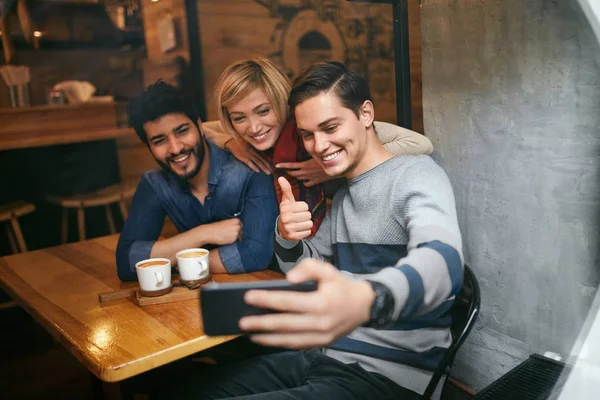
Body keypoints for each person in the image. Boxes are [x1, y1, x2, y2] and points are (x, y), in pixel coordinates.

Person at [164, 62, 463, 399]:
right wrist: (287, 235)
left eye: (330, 127)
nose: (319, 145)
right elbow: (305, 267)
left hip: (389, 378)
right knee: (185, 390)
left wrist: (367, 297)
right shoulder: (345, 194)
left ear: (366, 114)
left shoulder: (416, 174)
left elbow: (444, 262)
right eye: (307, 134)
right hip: (327, 358)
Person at [202, 57, 433, 236]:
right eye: (239, 118)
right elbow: (204, 129)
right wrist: (233, 143)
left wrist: (331, 163)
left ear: (282, 102)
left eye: (263, 111)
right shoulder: (244, 138)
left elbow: (420, 143)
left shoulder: (315, 128)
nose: (253, 128)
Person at [116, 81, 278, 281]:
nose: (175, 148)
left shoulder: (251, 168)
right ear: (148, 146)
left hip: (259, 290)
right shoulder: (155, 183)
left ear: (200, 127)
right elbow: (126, 262)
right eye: (160, 141)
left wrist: (170, 261)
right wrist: (202, 234)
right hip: (193, 298)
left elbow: (255, 255)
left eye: (182, 131)